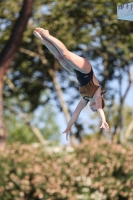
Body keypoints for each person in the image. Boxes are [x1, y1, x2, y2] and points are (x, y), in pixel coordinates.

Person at [33, 28, 110, 141]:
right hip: (85, 69)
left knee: (59, 57)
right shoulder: (97, 94)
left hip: (75, 71)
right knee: (65, 55)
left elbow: (75, 114)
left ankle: (42, 38)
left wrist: (68, 127)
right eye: (95, 110)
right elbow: (100, 109)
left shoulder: (85, 99)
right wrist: (103, 120)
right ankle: (47, 34)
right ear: (100, 103)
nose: (93, 109)